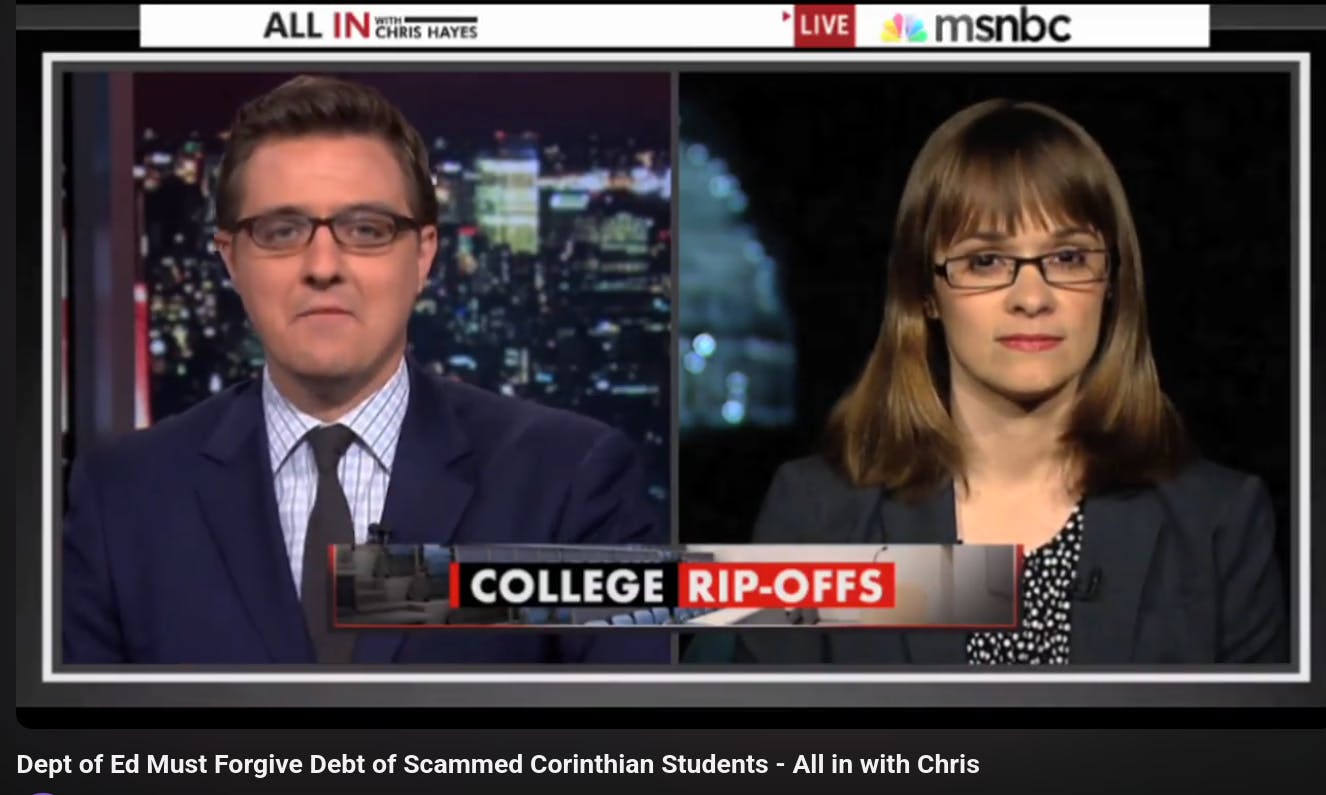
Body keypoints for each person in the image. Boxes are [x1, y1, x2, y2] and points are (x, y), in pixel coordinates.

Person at [62, 75, 669, 665]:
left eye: (366, 230)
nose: (323, 264)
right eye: (282, 230)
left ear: (424, 254)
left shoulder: (568, 481)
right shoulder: (123, 499)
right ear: (231, 259)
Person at [730, 98, 1288, 665]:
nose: (1031, 298)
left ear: (1112, 282)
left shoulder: (1219, 523)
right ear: (926, 291)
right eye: (986, 262)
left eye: (1068, 257)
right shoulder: (815, 516)